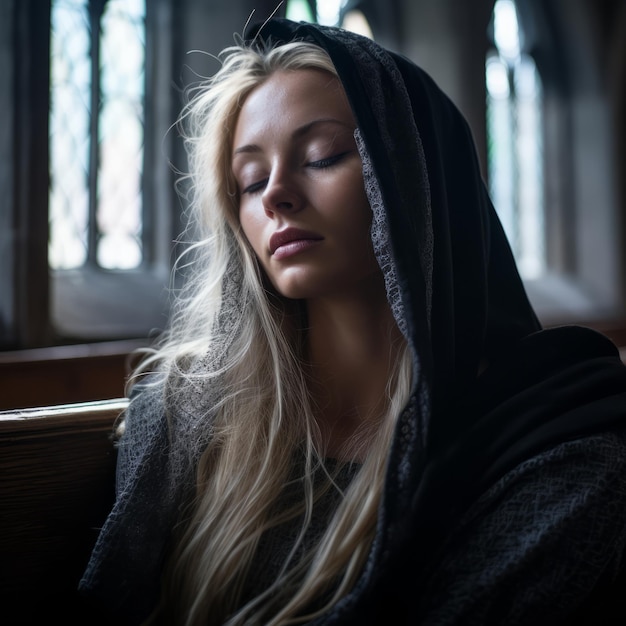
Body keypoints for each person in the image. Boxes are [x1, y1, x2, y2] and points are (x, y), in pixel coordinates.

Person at [79, 17, 626, 626]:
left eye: (323, 156)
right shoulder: (189, 416)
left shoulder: (555, 453)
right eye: (250, 179)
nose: (276, 195)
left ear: (419, 183)